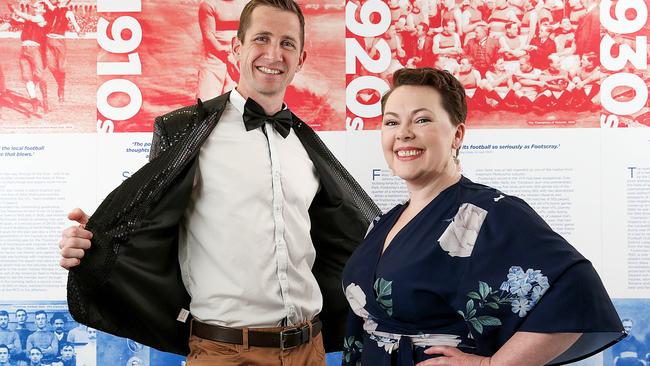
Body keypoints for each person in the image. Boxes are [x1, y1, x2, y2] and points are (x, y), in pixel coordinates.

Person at [58, 0, 378, 365]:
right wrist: (94, 242)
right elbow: (147, 223)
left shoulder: (306, 145)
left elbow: (337, 241)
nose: (274, 53)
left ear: (301, 58)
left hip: (309, 350)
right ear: (236, 48)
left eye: (287, 43)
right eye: (262, 38)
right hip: (224, 353)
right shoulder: (186, 133)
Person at [341, 67, 624, 365]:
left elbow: (578, 292)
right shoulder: (382, 222)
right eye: (391, 122)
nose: (403, 133)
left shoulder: (487, 212)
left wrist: (490, 365)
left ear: (457, 134)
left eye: (422, 120)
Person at [196, 0, 246, 100]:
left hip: (239, 53)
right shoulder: (208, 4)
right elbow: (208, 36)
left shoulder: (246, 3)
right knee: (207, 98)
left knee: (236, 99)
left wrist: (238, 55)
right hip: (215, 56)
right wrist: (226, 54)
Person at [10, 1, 49, 115]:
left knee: (39, 76)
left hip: (35, 50)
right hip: (24, 50)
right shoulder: (29, 19)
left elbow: (30, 18)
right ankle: (34, 100)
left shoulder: (40, 18)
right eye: (36, 6)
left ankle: (45, 100)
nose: (36, 7)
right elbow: (16, 21)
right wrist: (14, 14)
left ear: (43, 10)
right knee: (27, 77)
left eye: (39, 6)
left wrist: (16, 10)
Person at [40, 0, 83, 103]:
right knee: (51, 66)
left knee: (61, 68)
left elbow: (74, 22)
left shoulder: (68, 12)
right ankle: (60, 84)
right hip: (48, 40)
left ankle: (61, 88)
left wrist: (78, 31)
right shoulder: (53, 8)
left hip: (60, 41)